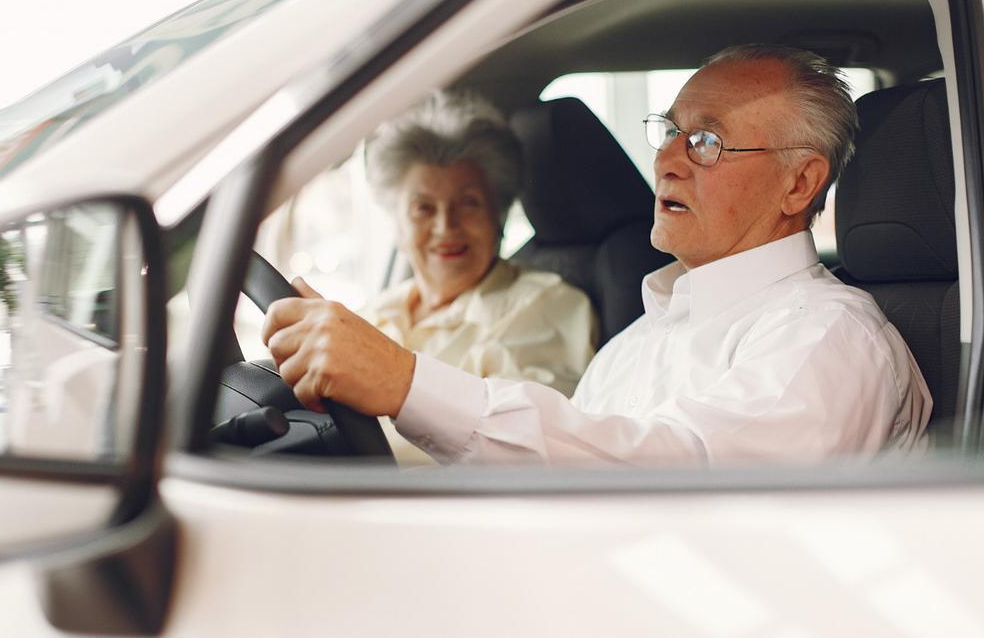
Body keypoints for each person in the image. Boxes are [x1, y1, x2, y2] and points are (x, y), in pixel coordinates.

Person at [266, 44, 931, 465]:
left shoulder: (830, 337)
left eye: (705, 141)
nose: (666, 158)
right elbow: (556, 478)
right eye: (669, 131)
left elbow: (675, 476)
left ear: (800, 183)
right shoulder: (637, 341)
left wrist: (404, 383)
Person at [360, 91, 597, 464]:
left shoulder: (544, 306)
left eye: (468, 203)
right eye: (423, 208)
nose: (445, 226)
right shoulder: (379, 310)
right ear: (398, 224)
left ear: (498, 216)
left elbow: (524, 451)